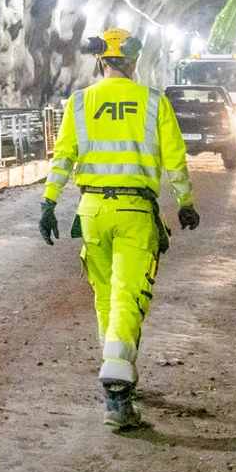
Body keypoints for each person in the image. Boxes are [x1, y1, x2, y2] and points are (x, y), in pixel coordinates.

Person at [38, 27, 200, 431]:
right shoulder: (152, 103)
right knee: (129, 297)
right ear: (133, 62)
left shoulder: (79, 103)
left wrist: (48, 203)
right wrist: (185, 203)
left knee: (107, 297)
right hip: (135, 212)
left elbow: (62, 158)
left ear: (100, 61)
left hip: (92, 211)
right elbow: (175, 160)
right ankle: (117, 392)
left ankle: (119, 372)